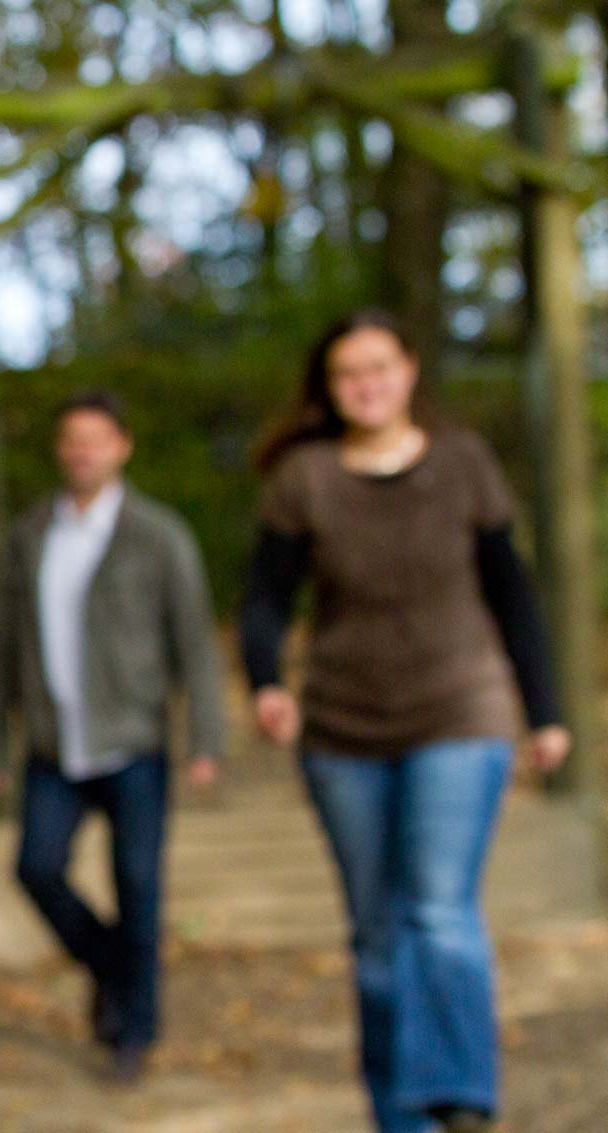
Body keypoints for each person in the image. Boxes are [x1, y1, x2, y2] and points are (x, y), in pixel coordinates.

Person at [240, 310, 569, 1133]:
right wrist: (266, 681)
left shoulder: (464, 465)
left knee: (437, 906)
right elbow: (266, 600)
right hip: (344, 724)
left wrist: (547, 710)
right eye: (349, 373)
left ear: (410, 371)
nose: (367, 384)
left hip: (461, 706)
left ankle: (459, 1092)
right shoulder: (304, 479)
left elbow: (514, 593)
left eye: (380, 367)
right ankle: (400, 1116)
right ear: (330, 388)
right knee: (377, 935)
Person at [0, 390, 225, 1082]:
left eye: (96, 439)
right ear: (61, 450)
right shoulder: (29, 537)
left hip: (134, 741)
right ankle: (117, 966)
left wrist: (206, 739)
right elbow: (2, 652)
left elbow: (195, 645)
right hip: (54, 744)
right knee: (35, 866)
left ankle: (132, 1035)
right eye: (71, 439)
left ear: (122, 446)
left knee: (139, 885)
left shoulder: (159, 536)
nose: (82, 451)